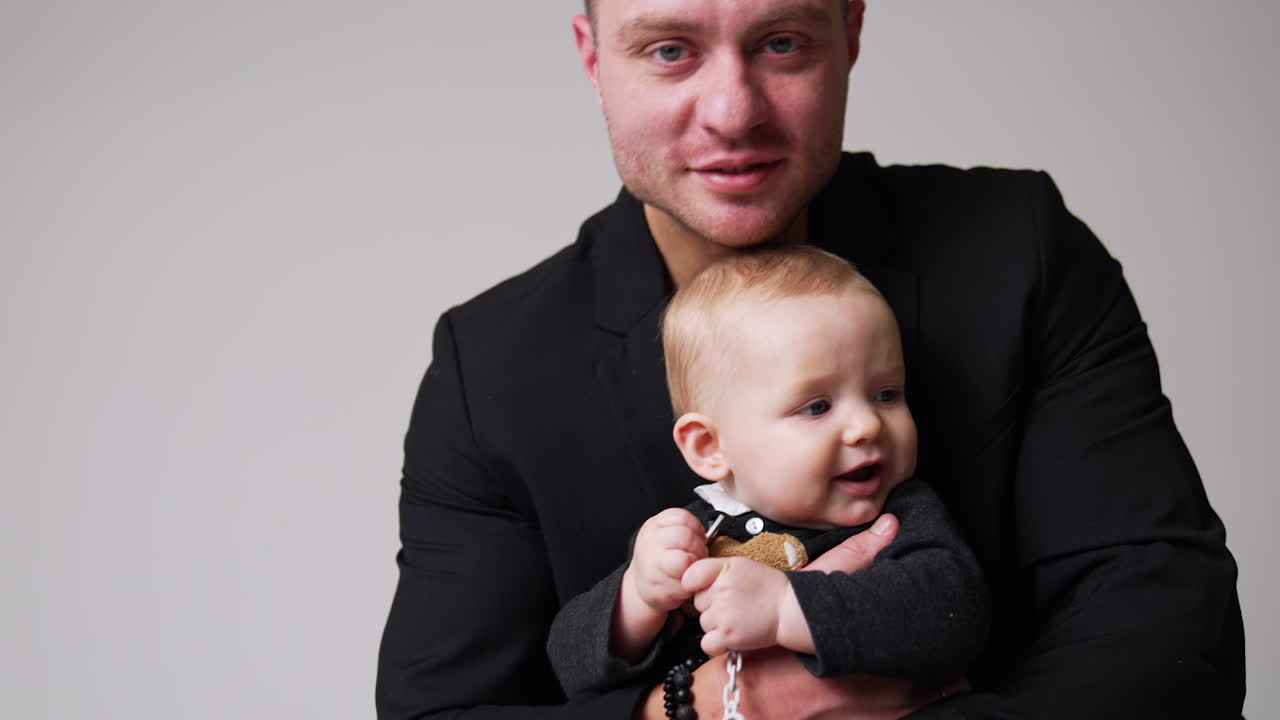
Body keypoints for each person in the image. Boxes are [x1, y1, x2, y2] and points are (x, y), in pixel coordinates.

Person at [376, 0, 1246, 718]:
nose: (734, 111)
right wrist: (687, 710)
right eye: (671, 51)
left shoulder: (1022, 252)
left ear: (852, 32)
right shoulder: (486, 366)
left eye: (782, 42)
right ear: (595, 59)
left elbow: (1171, 645)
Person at [547, 247, 990, 700]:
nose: (867, 426)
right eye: (817, 407)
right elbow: (567, 665)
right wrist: (637, 599)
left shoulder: (898, 520)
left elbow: (953, 614)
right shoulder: (693, 534)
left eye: (886, 394)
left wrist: (785, 608)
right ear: (711, 447)